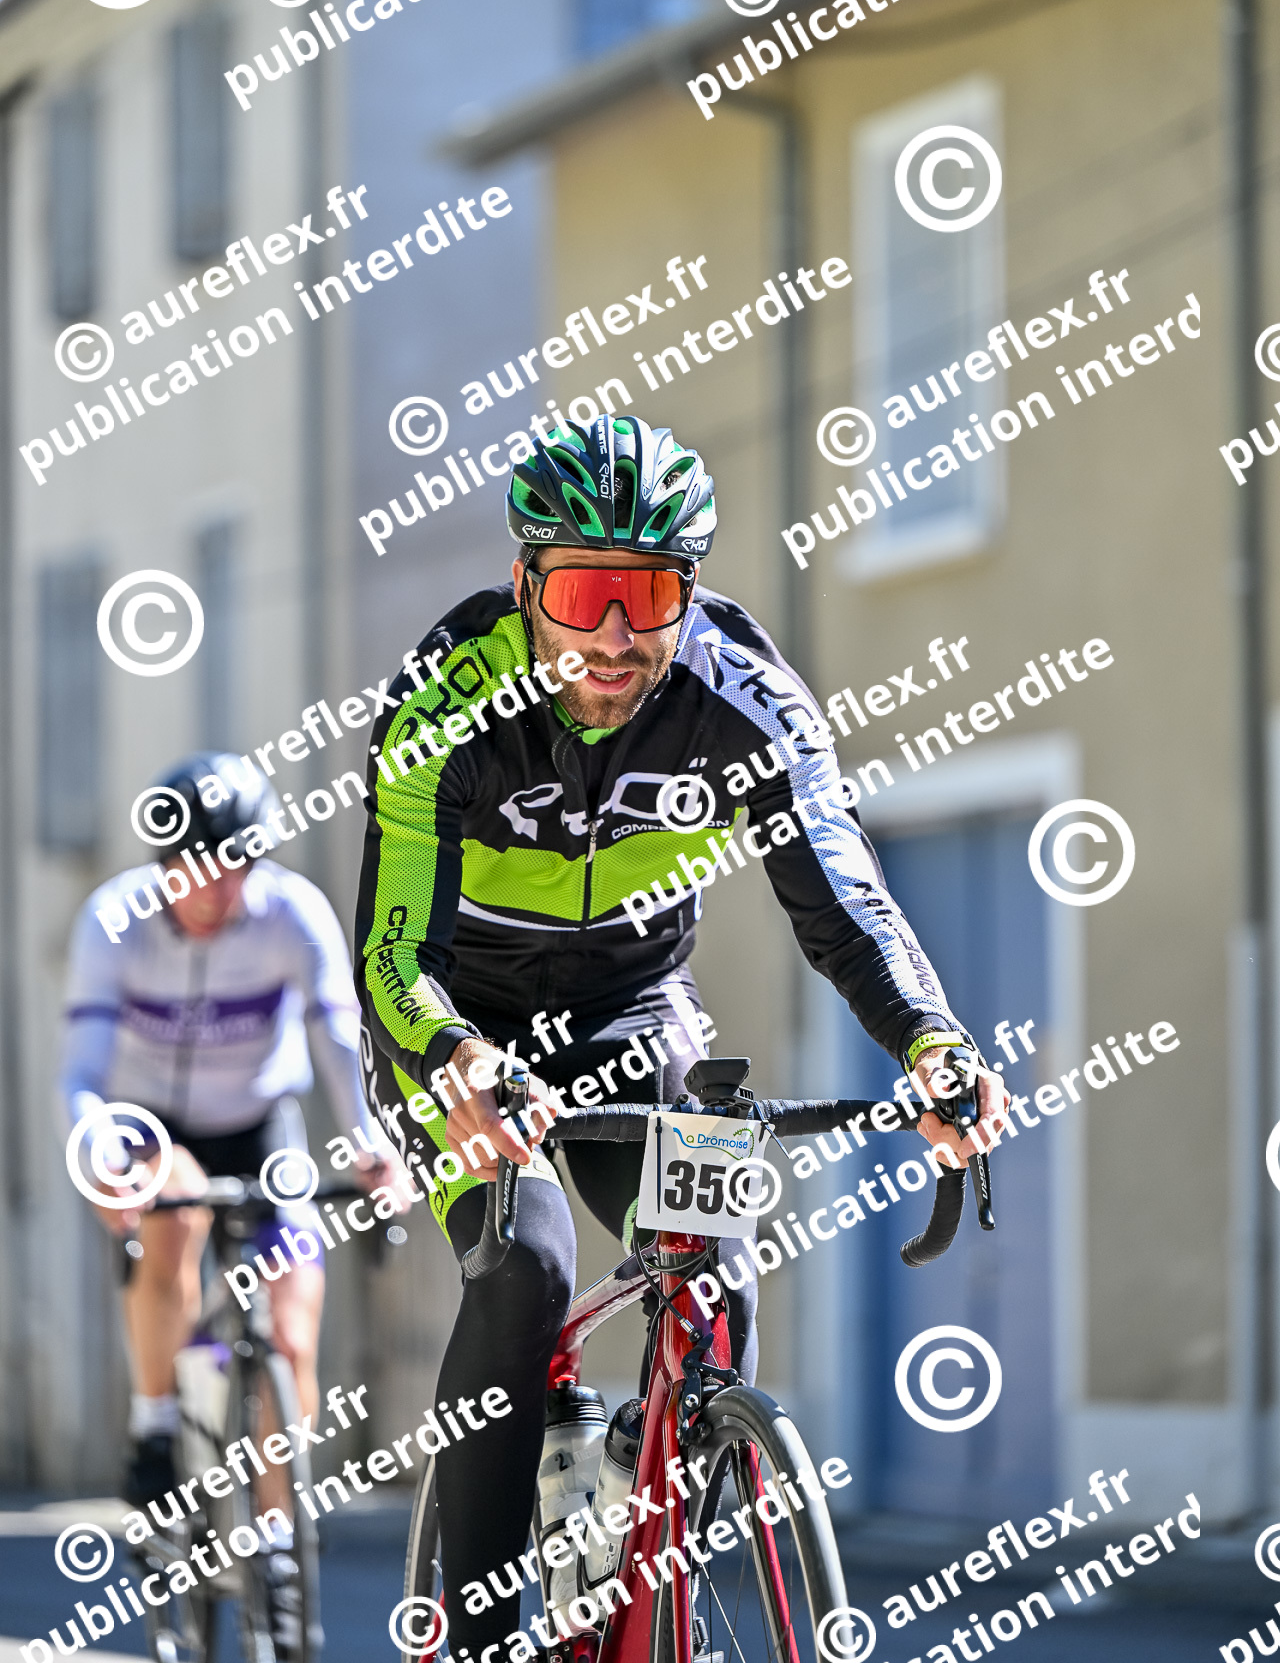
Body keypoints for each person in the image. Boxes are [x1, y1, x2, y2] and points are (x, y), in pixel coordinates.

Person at [353, 414, 1010, 1658]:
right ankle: (482, 1633)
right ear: (525, 586)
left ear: (687, 594)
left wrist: (930, 1042)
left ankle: (656, 1547)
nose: (613, 634)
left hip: (633, 1006)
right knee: (526, 1261)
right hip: (461, 1023)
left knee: (711, 1270)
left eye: (647, 594)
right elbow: (392, 953)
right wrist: (453, 1059)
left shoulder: (743, 697)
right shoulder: (445, 699)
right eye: (581, 593)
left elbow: (843, 903)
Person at [60, 753, 391, 1654]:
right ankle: (156, 1424)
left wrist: (370, 1144)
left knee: (294, 1323)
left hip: (259, 1123)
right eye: (193, 867)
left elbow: (339, 1038)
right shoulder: (114, 921)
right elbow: (80, 1071)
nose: (214, 887)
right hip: (150, 1127)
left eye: (235, 864)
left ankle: (275, 1537)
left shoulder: (291, 914)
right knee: (173, 1204)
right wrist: (99, 1155)